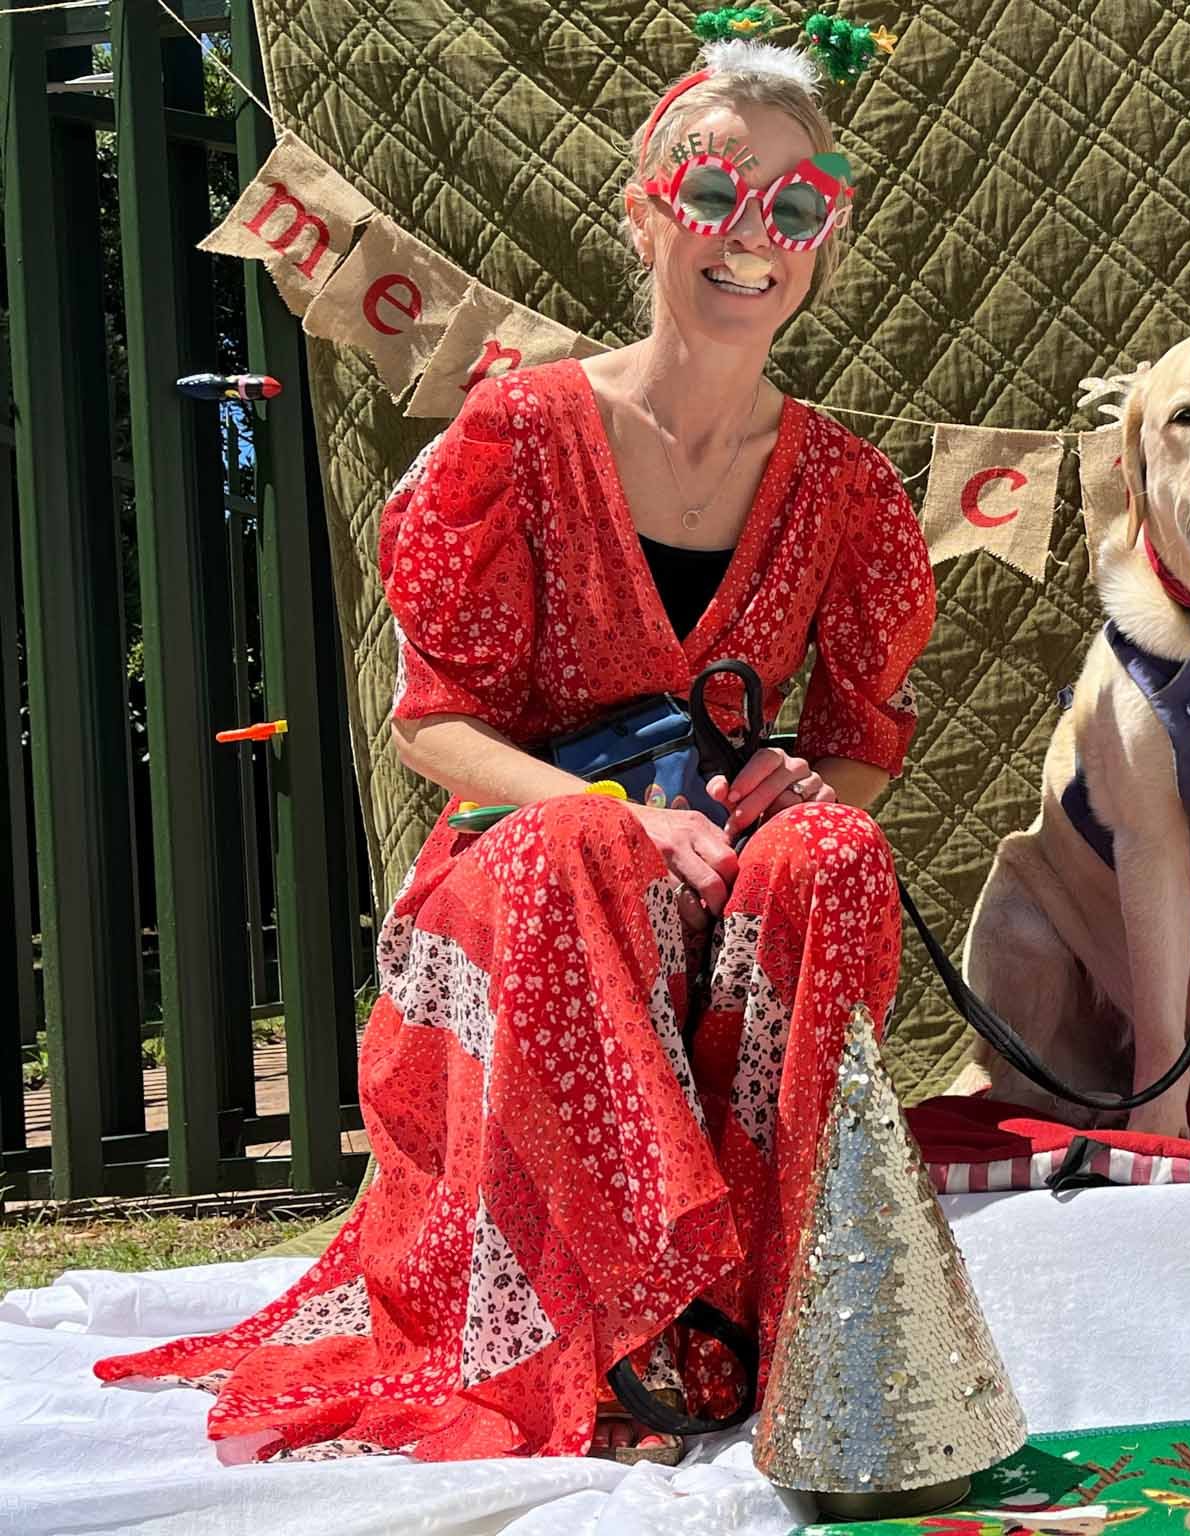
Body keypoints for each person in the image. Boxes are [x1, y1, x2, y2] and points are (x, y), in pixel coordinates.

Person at [94, 39, 937, 1463]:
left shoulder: (845, 486)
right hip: (526, 873)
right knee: (574, 843)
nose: (753, 238)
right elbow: (434, 725)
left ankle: (797, 1299)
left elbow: (862, 746)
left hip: (714, 874)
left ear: (826, 241)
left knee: (838, 852)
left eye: (796, 210)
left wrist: (797, 793)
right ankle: (597, 1337)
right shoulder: (523, 432)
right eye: (718, 192)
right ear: (643, 212)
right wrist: (620, 811)